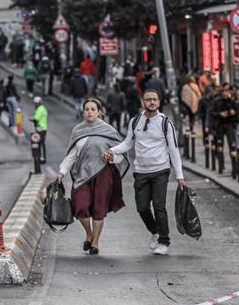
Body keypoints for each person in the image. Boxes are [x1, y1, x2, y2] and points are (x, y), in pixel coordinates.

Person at [105, 89, 183, 255]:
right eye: (148, 99)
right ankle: (154, 231)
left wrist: (180, 176)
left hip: (161, 170)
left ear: (159, 102)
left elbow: (173, 149)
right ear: (143, 102)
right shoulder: (135, 121)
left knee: (159, 206)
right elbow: (127, 144)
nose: (152, 102)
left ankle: (164, 241)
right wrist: (113, 150)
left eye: (154, 99)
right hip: (141, 171)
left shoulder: (165, 123)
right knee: (142, 207)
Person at [57, 98, 128, 255]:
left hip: (104, 174)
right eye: (86, 109)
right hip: (83, 174)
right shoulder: (78, 131)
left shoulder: (108, 131)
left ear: (99, 112)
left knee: (99, 208)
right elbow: (72, 155)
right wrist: (62, 172)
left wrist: (112, 157)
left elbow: (121, 156)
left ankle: (95, 242)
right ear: (83, 112)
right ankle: (89, 234)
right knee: (80, 206)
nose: (89, 111)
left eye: (92, 109)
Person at [212, 85, 239, 167]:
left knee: (232, 144)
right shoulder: (216, 102)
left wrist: (233, 113)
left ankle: (234, 164)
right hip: (220, 124)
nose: (225, 93)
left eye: (226, 92)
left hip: (230, 124)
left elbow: (237, 112)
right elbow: (212, 112)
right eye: (223, 92)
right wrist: (220, 114)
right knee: (220, 145)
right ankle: (221, 164)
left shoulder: (232, 102)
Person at [31, 96, 48, 164]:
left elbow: (36, 118)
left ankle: (41, 158)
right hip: (43, 128)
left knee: (40, 144)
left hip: (40, 129)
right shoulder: (43, 108)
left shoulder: (39, 109)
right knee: (42, 144)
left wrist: (31, 119)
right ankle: (42, 157)